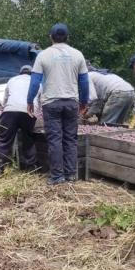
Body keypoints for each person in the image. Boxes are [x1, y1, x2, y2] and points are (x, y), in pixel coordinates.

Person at [27, 23, 89, 185]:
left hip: (51, 103)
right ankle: (71, 174)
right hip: (71, 102)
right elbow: (84, 82)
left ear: (50, 37)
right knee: (70, 139)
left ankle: (57, 176)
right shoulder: (78, 55)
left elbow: (35, 82)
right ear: (68, 37)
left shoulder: (43, 55)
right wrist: (84, 101)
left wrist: (30, 101)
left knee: (55, 139)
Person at [0, 65, 38, 174]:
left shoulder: (12, 80)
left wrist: (6, 107)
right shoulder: (36, 82)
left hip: (10, 112)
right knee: (28, 139)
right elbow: (39, 101)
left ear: (20, 73)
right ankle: (31, 168)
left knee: (4, 139)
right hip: (28, 112)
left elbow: (5, 99)